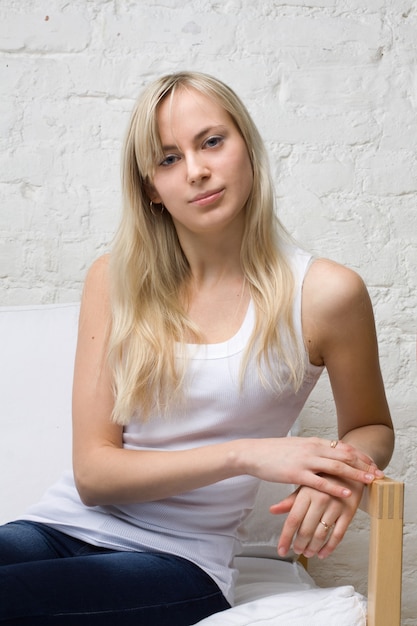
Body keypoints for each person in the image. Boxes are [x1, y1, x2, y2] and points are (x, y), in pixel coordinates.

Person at [0, 71, 394, 625]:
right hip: (56, 529)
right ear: (151, 190)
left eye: (211, 141)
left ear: (247, 147)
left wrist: (341, 474)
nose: (196, 169)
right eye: (167, 158)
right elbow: (94, 475)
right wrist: (247, 453)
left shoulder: (324, 294)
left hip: (179, 563)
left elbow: (371, 427)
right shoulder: (114, 281)